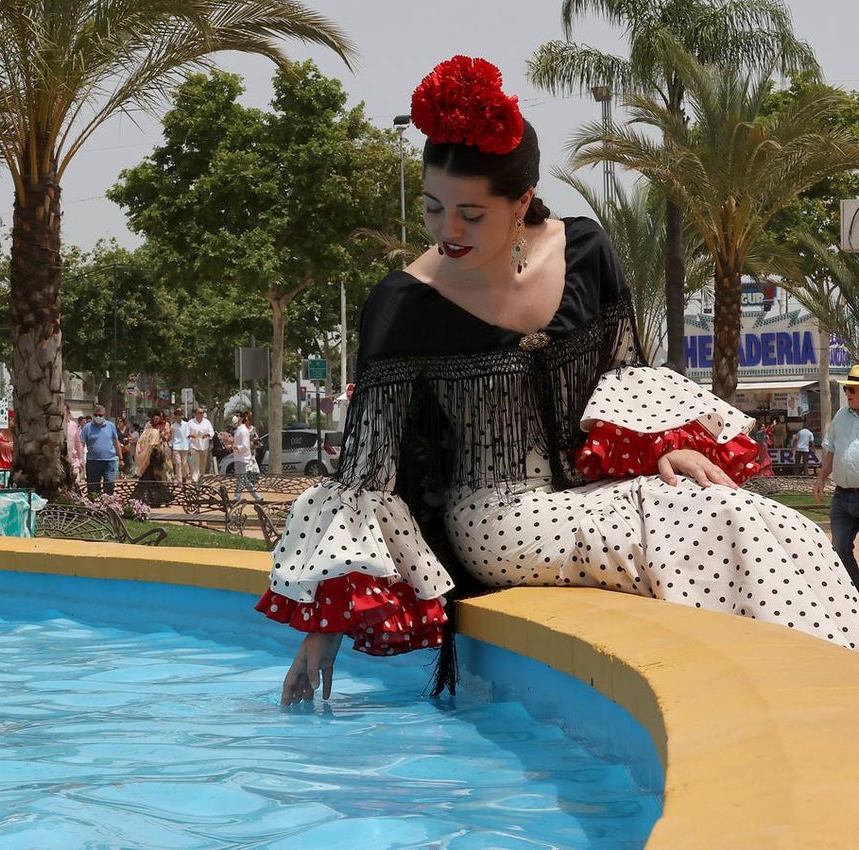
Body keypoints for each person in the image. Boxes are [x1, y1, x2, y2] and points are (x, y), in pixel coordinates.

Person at [256, 56, 859, 706]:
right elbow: (367, 474)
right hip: (494, 520)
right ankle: (803, 698)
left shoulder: (585, 252)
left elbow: (620, 379)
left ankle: (821, 698)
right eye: (434, 208)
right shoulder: (405, 305)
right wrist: (324, 627)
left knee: (774, 521)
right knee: (716, 524)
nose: (447, 231)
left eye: (471, 214)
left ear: (521, 202)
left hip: (594, 489)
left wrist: (662, 444)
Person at [814, 366, 859, 590]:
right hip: (842, 497)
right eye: (847, 389)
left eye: (852, 389)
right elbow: (831, 449)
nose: (847, 394)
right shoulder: (841, 415)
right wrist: (821, 478)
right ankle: (855, 593)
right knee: (839, 549)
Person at [134, 408, 173, 506]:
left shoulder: (165, 425)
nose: (156, 419)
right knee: (150, 476)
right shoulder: (149, 427)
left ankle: (161, 498)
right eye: (154, 417)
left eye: (158, 417)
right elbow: (146, 440)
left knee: (161, 477)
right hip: (152, 455)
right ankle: (149, 498)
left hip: (161, 454)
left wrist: (161, 434)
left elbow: (167, 438)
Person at [81, 405, 123, 495]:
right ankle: (94, 506)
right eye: (96, 415)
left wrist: (121, 458)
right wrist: (81, 459)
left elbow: (116, 442)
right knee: (93, 488)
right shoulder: (87, 427)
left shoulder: (111, 426)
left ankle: (108, 505)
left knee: (109, 484)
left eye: (100, 415)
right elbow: (81, 444)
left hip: (109, 461)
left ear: (104, 415)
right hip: (93, 462)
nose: (98, 417)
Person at [231, 411, 263, 503]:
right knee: (243, 479)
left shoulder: (243, 431)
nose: (235, 417)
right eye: (235, 415)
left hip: (242, 458)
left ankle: (236, 498)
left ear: (241, 418)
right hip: (238, 458)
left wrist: (233, 447)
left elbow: (245, 446)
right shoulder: (238, 429)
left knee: (241, 479)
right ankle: (257, 497)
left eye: (237, 416)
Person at [185, 407, 215, 484]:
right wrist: (191, 435)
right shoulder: (190, 422)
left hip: (204, 446)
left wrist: (207, 434)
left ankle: (201, 477)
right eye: (200, 413)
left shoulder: (207, 422)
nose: (201, 414)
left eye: (202, 413)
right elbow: (186, 434)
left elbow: (212, 432)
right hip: (193, 446)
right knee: (193, 462)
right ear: (196, 413)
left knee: (203, 463)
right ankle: (195, 479)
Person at [170, 407, 191, 484]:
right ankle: (179, 481)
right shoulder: (173, 426)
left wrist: (189, 447)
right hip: (176, 446)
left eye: (179, 415)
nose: (178, 416)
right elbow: (172, 437)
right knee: (178, 463)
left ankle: (184, 476)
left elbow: (188, 436)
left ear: (182, 416)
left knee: (184, 463)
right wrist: (171, 446)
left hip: (185, 446)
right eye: (176, 415)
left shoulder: (186, 425)